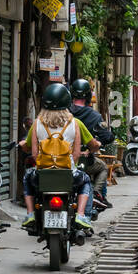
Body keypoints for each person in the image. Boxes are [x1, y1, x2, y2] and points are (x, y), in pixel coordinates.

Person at [21, 83, 95, 232]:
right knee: (85, 180)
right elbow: (75, 154)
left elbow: (34, 154)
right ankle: (80, 215)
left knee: (27, 178)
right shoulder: (75, 123)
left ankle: (30, 214)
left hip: (42, 177)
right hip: (68, 176)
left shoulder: (36, 123)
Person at [69, 79, 113, 208]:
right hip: (83, 161)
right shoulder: (94, 116)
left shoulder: (63, 115)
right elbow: (105, 137)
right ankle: (98, 193)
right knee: (103, 167)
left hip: (60, 159)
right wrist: (98, 143)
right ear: (89, 96)